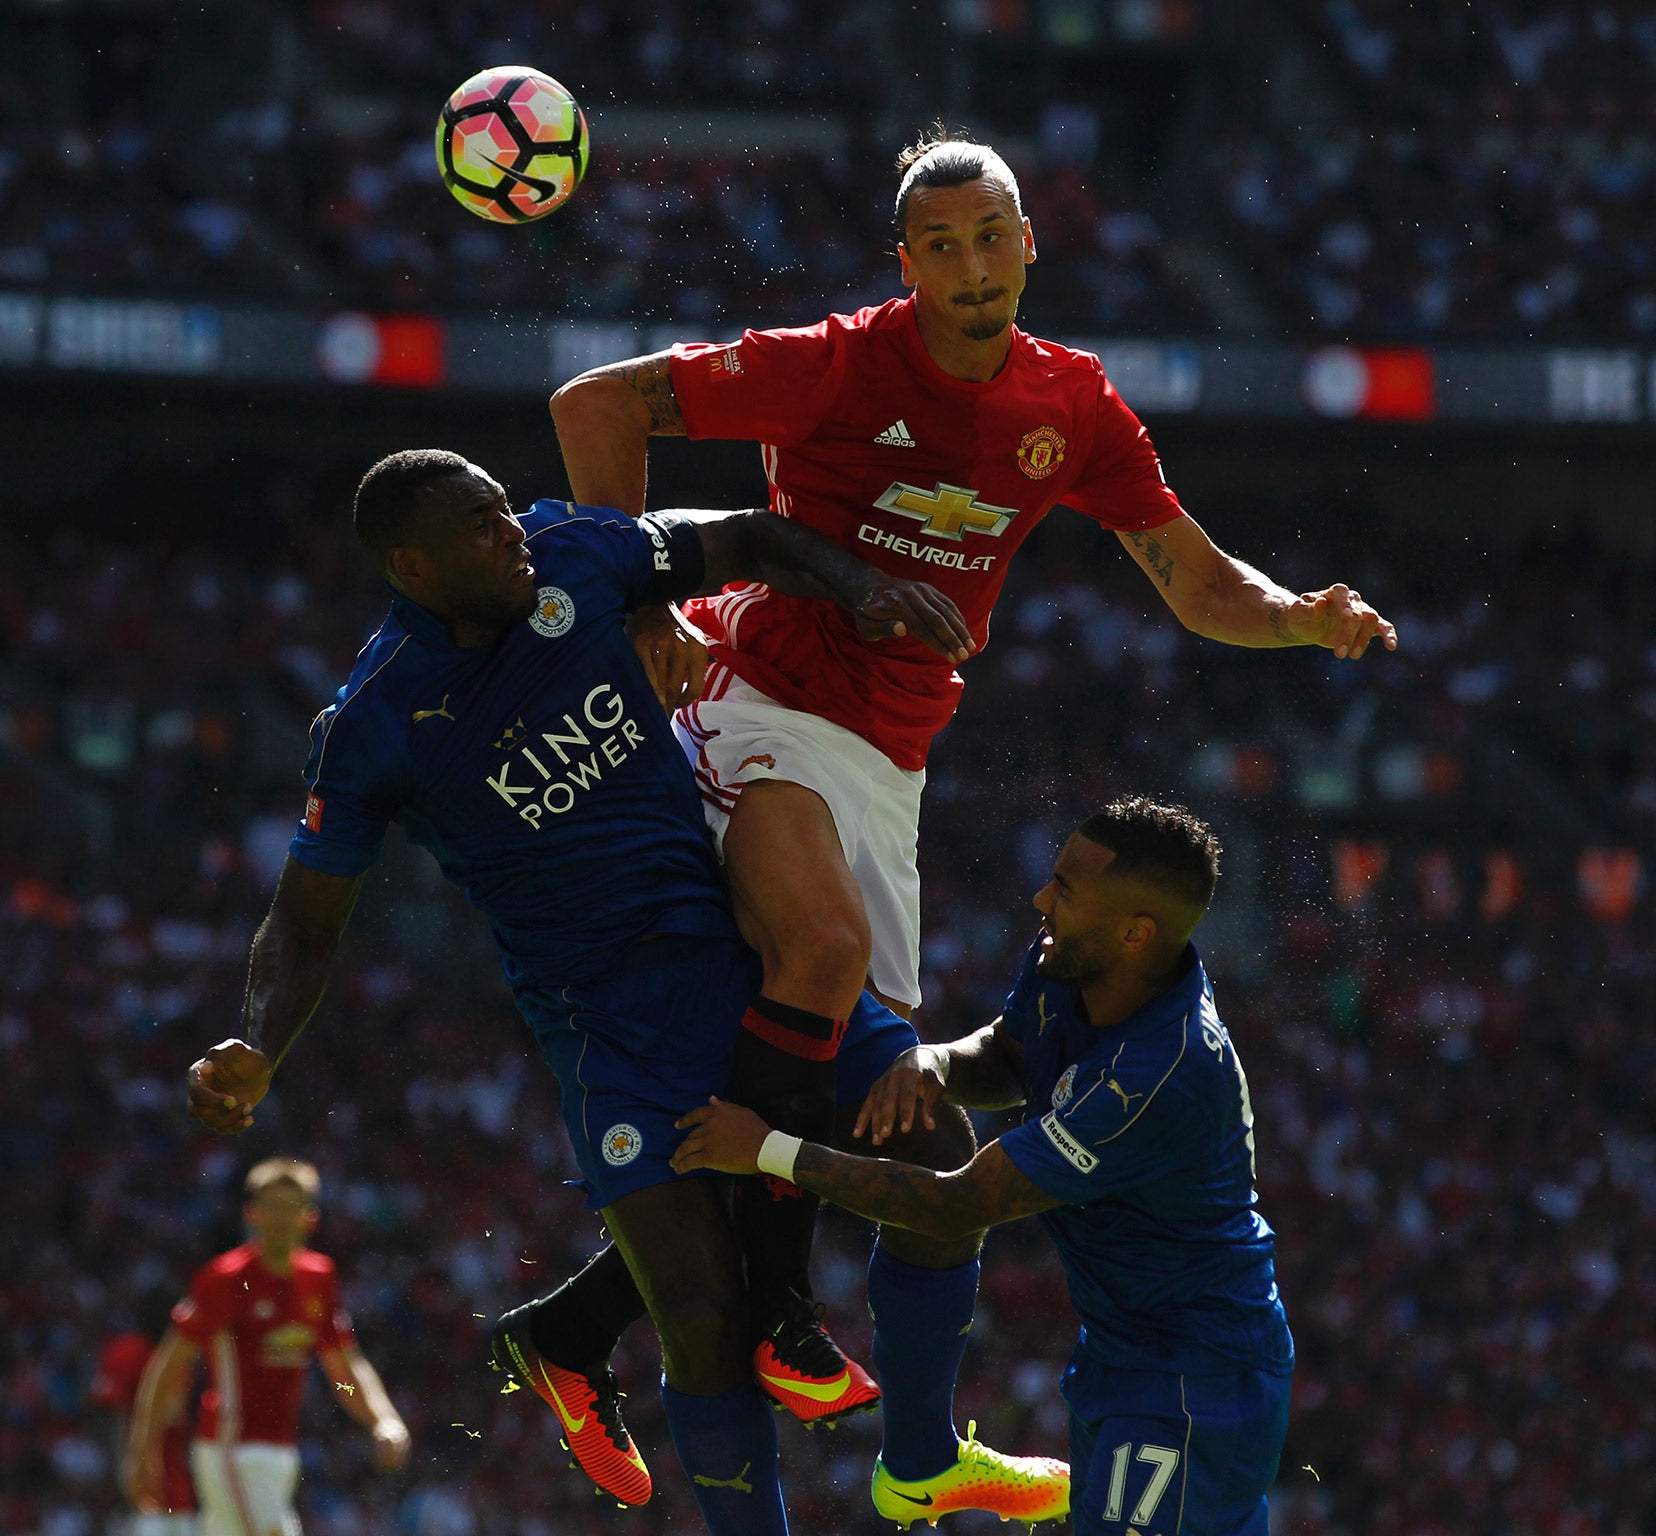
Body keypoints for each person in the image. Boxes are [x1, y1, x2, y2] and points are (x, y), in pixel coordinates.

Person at [534, 127, 1391, 1504]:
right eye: (940, 246)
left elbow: (1184, 570)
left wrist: (1300, 618)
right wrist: (634, 608)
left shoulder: (1075, 401)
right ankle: (769, 1313)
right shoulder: (839, 361)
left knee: (895, 1121)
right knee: (814, 965)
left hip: (891, 763)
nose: (971, 264)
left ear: (1029, 242)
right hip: (760, 701)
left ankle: (859, 1444)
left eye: (990, 236)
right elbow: (595, 405)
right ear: (905, 265)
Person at [182, 448, 1055, 1534]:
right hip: (609, 1024)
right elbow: (305, 921)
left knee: (934, 1160)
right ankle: (609, 1359)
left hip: (735, 953)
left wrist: (859, 584)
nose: (511, 531)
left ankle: (919, 1457)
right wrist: (258, 1043)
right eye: (479, 525)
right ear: (410, 565)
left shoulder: (573, 557)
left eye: (503, 507)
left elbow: (744, 532)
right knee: (704, 1318)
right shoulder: (375, 724)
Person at [674, 798, 1295, 1532]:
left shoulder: (1160, 1075)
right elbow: (1010, 1054)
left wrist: (767, 1152)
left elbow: (955, 1204)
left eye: (1065, 889)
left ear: (1135, 932)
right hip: (1123, 1355)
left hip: (1198, 1379)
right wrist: (932, 1061)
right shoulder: (1073, 967)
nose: (1041, 899)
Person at [126, 1158, 409, 1536]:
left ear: (310, 1218)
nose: (280, 1219)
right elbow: (169, 1364)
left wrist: (383, 1420)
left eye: (290, 1209)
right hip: (231, 1448)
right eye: (271, 1208)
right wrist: (144, 1452)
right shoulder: (226, 1280)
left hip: (280, 1453)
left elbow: (343, 1368)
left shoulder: (319, 1278)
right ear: (251, 1215)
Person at [95, 1304, 198, 1536]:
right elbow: (112, 1416)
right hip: (137, 1482)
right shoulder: (129, 1353)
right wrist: (120, 1470)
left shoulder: (180, 1356)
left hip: (177, 1486)